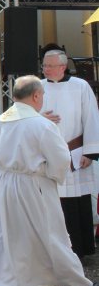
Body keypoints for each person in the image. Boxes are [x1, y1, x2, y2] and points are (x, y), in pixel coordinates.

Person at [0, 75, 99, 286]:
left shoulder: (2, 119)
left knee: (0, 235)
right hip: (33, 186)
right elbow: (60, 160)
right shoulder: (41, 124)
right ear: (37, 95)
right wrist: (49, 174)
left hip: (3, 185)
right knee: (48, 234)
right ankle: (71, 284)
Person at [41, 49, 99, 258]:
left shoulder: (80, 87)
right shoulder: (38, 87)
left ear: (63, 67)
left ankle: (80, 250)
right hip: (48, 155)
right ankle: (55, 252)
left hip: (75, 153)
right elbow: (24, 115)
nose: (46, 69)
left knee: (77, 202)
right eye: (44, 65)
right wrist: (40, 117)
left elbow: (92, 118)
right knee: (53, 204)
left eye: (50, 65)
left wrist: (90, 153)